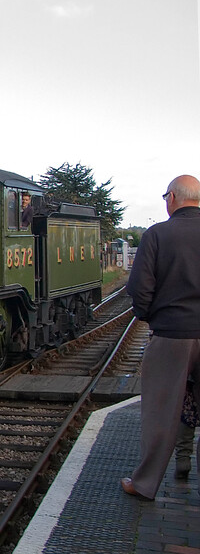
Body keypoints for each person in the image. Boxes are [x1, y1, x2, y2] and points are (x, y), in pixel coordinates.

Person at [121, 174, 200, 499]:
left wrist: (152, 316)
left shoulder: (157, 234)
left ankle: (145, 484)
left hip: (171, 334)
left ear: (171, 198)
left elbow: (139, 288)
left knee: (160, 411)